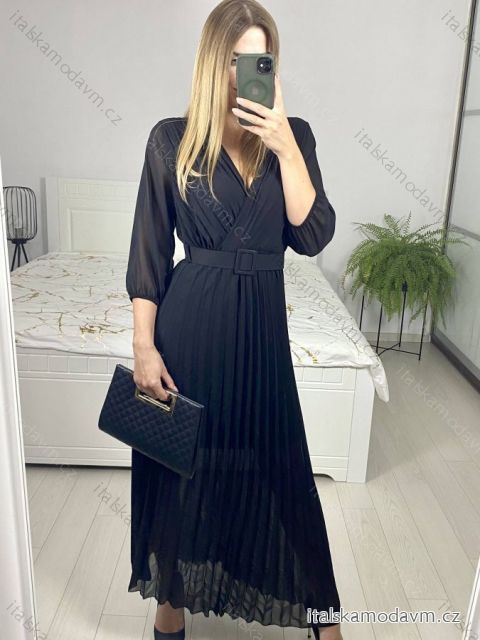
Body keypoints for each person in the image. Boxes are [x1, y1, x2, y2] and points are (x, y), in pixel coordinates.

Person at [125, 1, 343, 638]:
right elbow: (148, 252)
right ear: (212, 62)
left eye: (259, 59)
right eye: (234, 59)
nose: (245, 72)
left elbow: (312, 234)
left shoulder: (294, 137)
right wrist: (143, 345)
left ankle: (328, 624)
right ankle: (170, 612)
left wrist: (285, 146)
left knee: (287, 479)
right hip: (188, 331)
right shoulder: (171, 139)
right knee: (181, 474)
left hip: (262, 336)